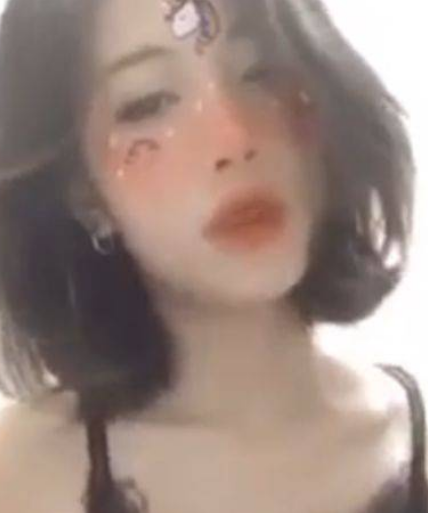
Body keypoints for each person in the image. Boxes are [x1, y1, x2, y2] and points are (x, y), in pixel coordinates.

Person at [0, 0, 425, 512]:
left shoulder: (410, 441)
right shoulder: (20, 478)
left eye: (261, 71)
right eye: (149, 102)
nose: (236, 139)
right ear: (83, 192)